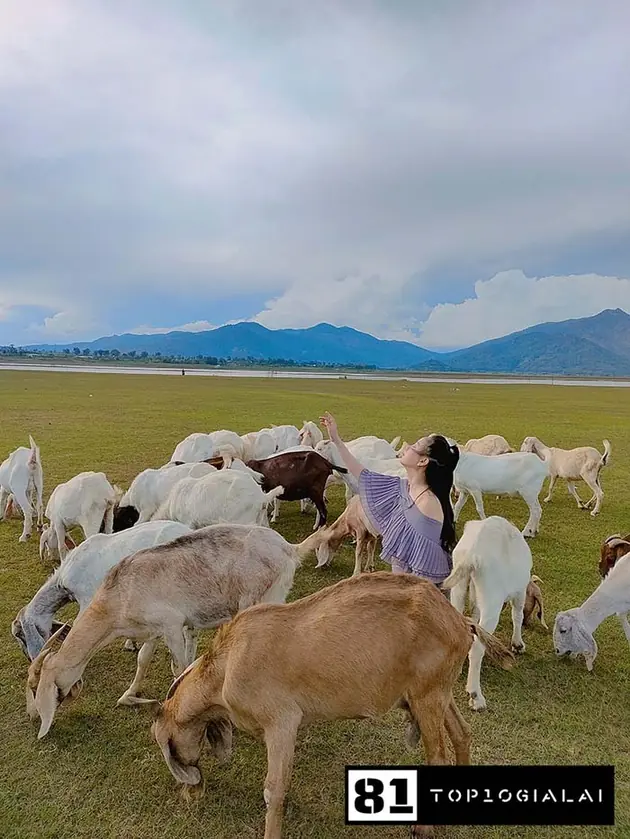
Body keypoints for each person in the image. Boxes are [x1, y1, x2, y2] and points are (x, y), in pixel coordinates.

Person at [319, 412, 459, 593]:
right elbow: (362, 474)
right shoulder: (401, 488)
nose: (407, 446)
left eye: (415, 446)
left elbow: (425, 575)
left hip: (417, 602)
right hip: (401, 593)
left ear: (423, 461)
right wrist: (336, 439)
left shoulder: (428, 505)